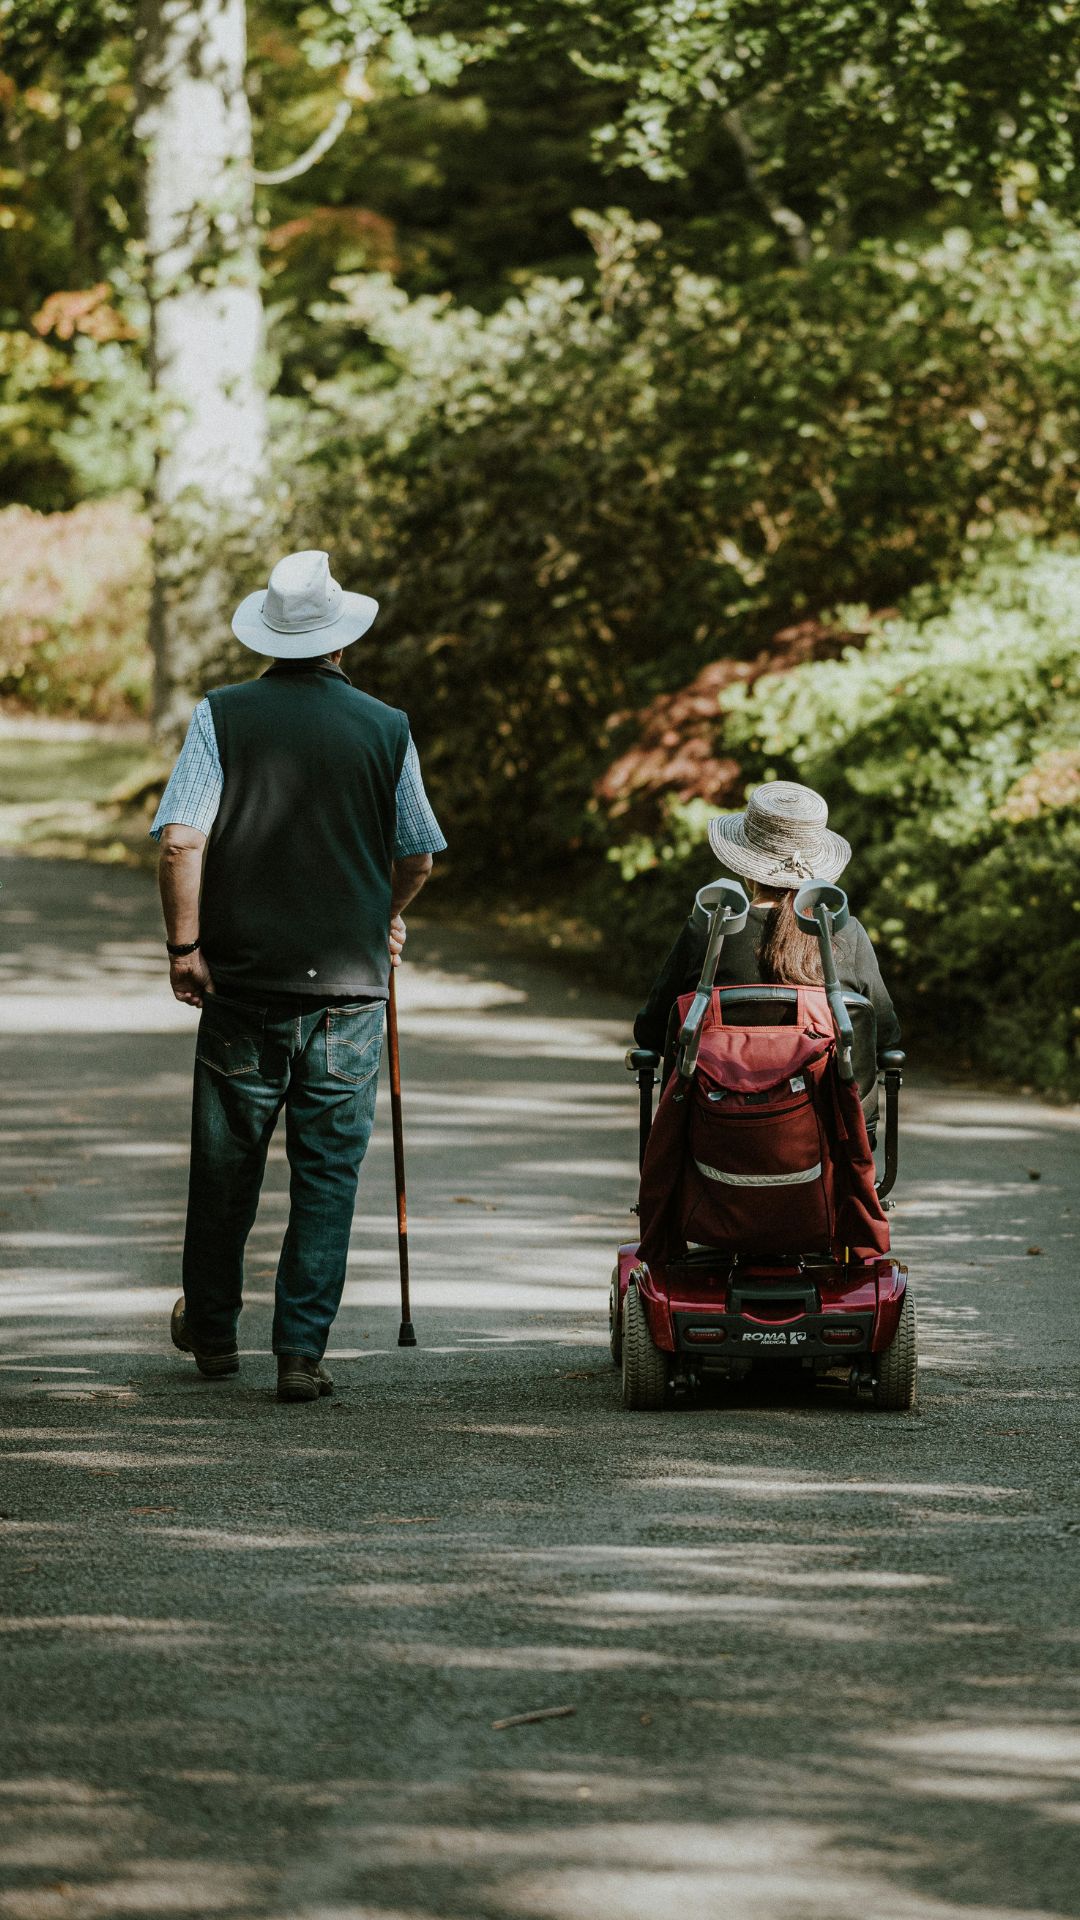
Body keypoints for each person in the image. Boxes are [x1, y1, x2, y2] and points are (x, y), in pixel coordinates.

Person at [152, 549, 446, 1403]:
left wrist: (184, 946)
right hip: (350, 995)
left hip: (242, 986)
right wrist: (376, 914)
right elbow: (418, 854)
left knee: (226, 1168)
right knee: (327, 1177)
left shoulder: (222, 716)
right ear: (341, 640)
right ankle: (299, 1354)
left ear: (269, 638)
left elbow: (180, 838)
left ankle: (211, 1333)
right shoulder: (387, 726)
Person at [634, 779, 900, 1063]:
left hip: (717, 1106)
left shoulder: (707, 932)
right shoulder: (846, 933)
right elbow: (886, 1037)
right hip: (825, 1107)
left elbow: (652, 1032)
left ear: (747, 868)